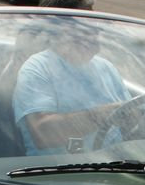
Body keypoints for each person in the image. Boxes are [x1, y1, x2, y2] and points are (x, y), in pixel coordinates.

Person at [11, 15, 130, 154]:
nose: (93, 37)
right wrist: (103, 115)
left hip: (116, 162)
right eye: (84, 29)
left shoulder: (106, 67)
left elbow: (132, 115)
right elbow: (43, 134)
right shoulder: (37, 67)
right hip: (57, 166)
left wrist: (136, 115)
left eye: (94, 30)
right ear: (61, 30)